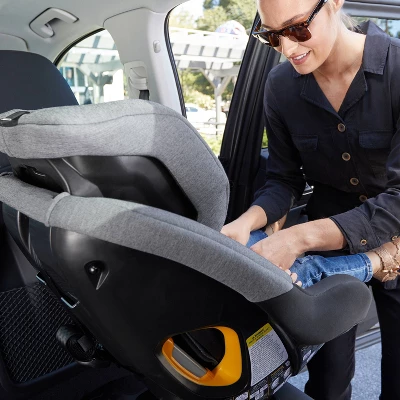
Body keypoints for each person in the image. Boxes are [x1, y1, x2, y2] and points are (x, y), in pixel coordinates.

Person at [221, 0, 400, 399]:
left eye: (298, 28)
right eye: (271, 36)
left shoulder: (397, 71)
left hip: (395, 240)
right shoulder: (281, 87)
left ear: (334, 3)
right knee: (327, 380)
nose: (287, 48)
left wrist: (298, 239)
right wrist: (247, 222)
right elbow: (283, 179)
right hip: (330, 244)